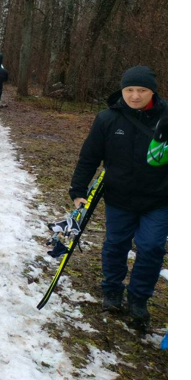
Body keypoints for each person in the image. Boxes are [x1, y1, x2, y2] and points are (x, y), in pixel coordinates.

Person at [69, 65, 167, 331]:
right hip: (119, 198)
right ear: (122, 90)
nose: (135, 96)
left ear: (153, 92)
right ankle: (112, 290)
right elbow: (89, 157)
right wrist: (78, 191)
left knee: (151, 248)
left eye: (142, 90)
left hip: (159, 200)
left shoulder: (169, 118)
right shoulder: (107, 119)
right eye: (129, 90)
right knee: (115, 244)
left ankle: (139, 298)